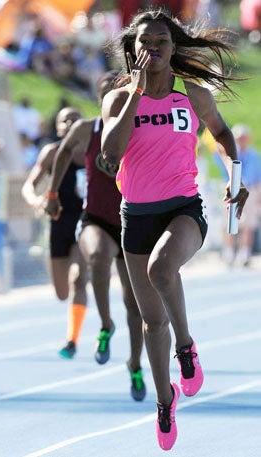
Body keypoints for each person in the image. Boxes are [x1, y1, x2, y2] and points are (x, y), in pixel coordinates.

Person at [100, 7, 249, 450]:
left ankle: (187, 348)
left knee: (163, 270)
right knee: (150, 321)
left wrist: (234, 175)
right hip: (136, 216)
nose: (153, 49)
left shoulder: (193, 95)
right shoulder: (117, 98)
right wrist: (136, 94)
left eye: (161, 42)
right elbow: (110, 156)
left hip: (183, 209)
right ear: (133, 50)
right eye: (144, 43)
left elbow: (223, 135)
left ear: (174, 47)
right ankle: (164, 403)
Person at [45, 72, 146, 402]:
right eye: (105, 94)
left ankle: (134, 363)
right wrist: (51, 194)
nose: (111, 100)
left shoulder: (139, 129)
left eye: (118, 93)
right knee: (98, 256)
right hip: (96, 219)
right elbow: (61, 154)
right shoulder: (87, 129)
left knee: (135, 305)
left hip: (131, 220)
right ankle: (105, 325)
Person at [22, 107, 88, 359]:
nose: (70, 123)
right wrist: (35, 201)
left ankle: (72, 339)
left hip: (85, 223)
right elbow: (29, 185)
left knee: (78, 279)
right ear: (58, 127)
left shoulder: (92, 152)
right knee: (62, 293)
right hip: (58, 224)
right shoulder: (51, 153)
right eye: (64, 120)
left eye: (75, 119)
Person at [214, 124, 261, 267]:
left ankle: (244, 252)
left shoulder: (254, 155)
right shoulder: (230, 155)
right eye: (239, 138)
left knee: (248, 223)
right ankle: (229, 252)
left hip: (250, 190)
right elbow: (220, 162)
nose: (242, 140)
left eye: (244, 138)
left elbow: (256, 177)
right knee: (229, 220)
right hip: (231, 189)